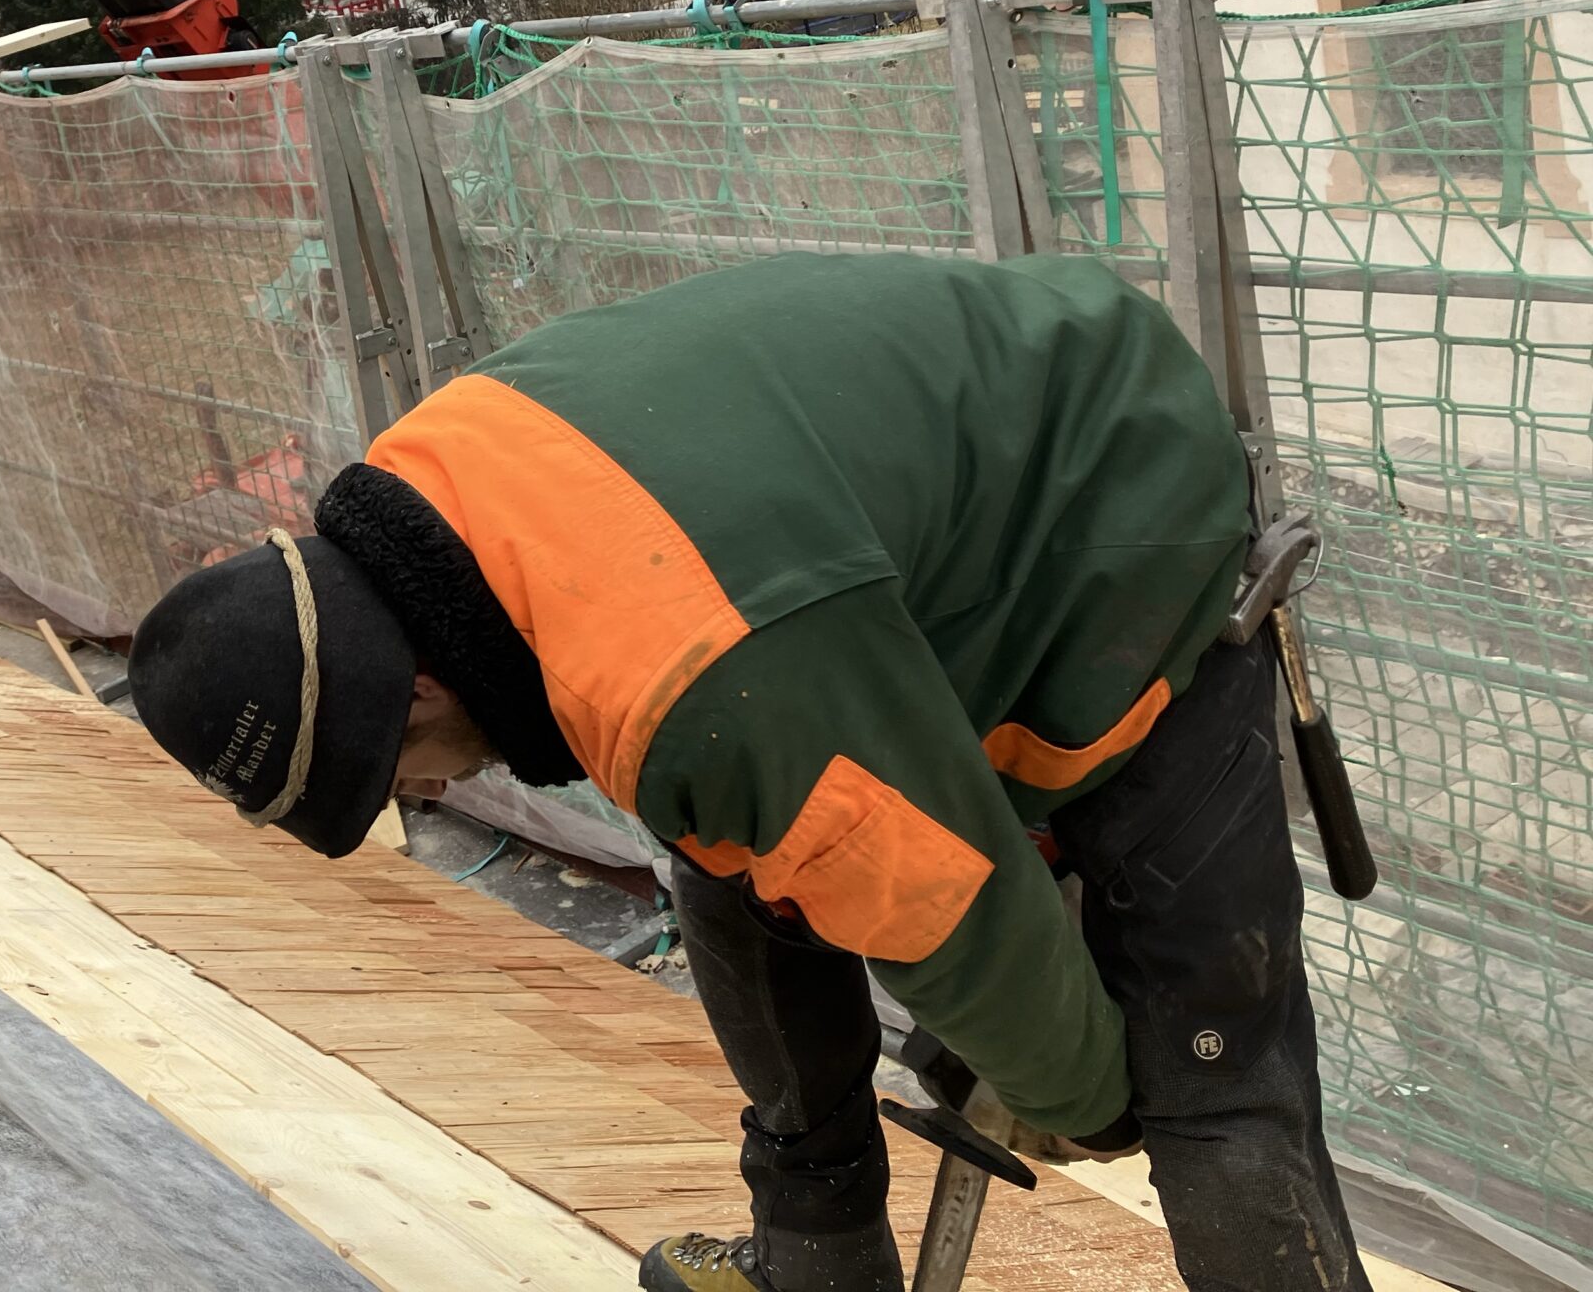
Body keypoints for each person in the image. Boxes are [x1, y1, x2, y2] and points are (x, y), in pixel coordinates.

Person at [126, 253, 1369, 1292]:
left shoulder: (684, 670)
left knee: (1209, 1057)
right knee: (736, 862)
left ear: (413, 690)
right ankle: (817, 1267)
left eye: (399, 777)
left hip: (1118, 496)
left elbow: (942, 902)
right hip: (873, 573)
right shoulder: (441, 508)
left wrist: (1085, 1099)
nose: (431, 798)